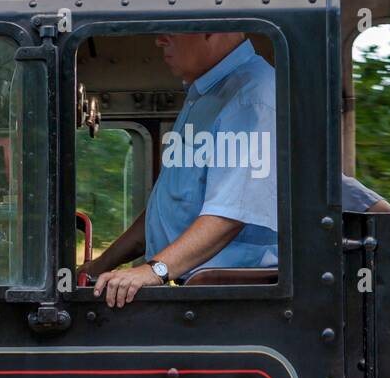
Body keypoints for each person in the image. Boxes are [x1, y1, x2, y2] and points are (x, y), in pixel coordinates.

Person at [81, 32, 277, 307]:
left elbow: (229, 215)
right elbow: (167, 208)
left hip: (232, 301)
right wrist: (98, 266)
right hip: (199, 292)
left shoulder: (252, 96)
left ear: (211, 28)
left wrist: (154, 270)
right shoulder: (205, 93)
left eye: (172, 29)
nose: (158, 40)